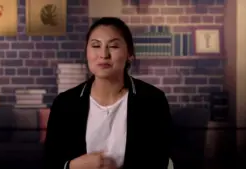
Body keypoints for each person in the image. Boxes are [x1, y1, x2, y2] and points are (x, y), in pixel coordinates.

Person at [43, 17, 172, 169]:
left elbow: (162, 161)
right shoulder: (65, 103)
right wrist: (73, 166)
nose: (103, 54)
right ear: (87, 52)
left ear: (129, 53)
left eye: (114, 46)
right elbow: (49, 162)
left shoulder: (152, 101)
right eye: (96, 45)